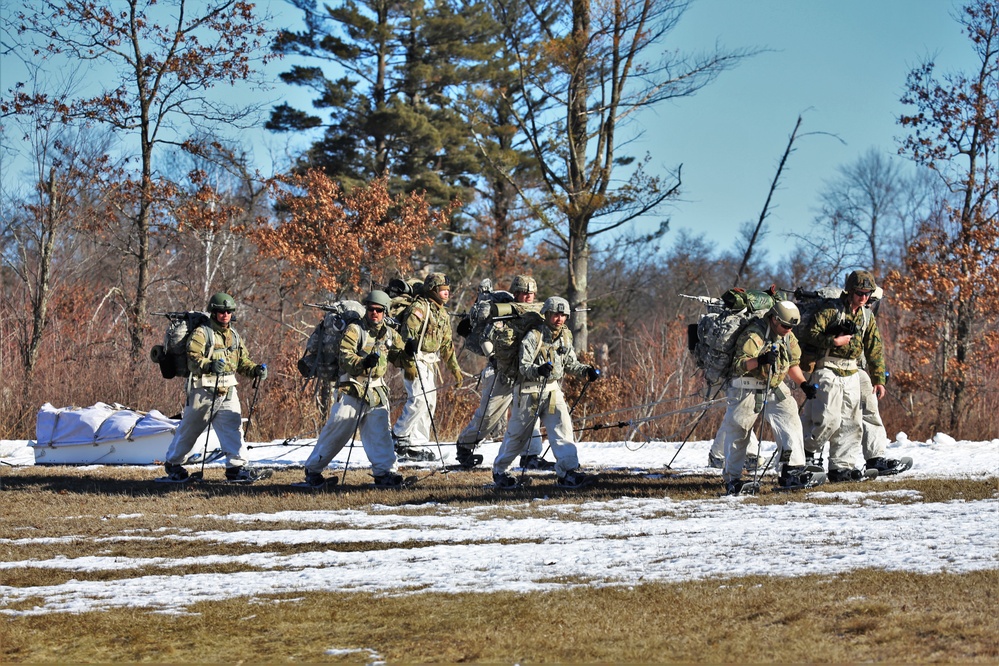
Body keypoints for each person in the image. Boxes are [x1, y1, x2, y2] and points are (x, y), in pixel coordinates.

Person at [303, 290, 411, 487]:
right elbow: (345, 357)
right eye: (371, 309)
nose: (374, 313)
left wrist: (409, 353)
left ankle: (385, 472)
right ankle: (313, 471)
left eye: (379, 310)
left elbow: (398, 358)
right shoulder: (355, 329)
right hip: (352, 388)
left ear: (385, 312)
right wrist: (364, 362)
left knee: (380, 434)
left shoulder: (389, 332)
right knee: (336, 432)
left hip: (376, 390)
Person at [491, 296, 601, 489]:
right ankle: (500, 471)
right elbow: (523, 366)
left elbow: (569, 363)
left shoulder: (565, 335)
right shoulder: (534, 336)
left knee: (563, 429)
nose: (559, 319)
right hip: (528, 391)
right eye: (555, 314)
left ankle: (568, 472)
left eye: (563, 315)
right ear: (547, 314)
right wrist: (538, 370)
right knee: (518, 436)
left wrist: (586, 371)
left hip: (552, 389)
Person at [162, 292, 269, 482]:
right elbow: (192, 361)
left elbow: (242, 362)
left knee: (233, 429)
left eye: (228, 311)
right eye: (221, 311)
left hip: (228, 390)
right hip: (203, 390)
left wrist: (255, 370)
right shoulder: (202, 333)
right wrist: (209, 365)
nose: (225, 315)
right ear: (214, 312)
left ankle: (236, 468)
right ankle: (174, 464)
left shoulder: (234, 336)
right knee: (190, 429)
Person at [717, 301, 820, 494]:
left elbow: (792, 363)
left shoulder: (787, 336)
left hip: (774, 385)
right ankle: (733, 479)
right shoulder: (754, 335)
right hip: (746, 386)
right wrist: (761, 360)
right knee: (739, 430)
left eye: (792, 327)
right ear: (774, 319)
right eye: (785, 326)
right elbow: (738, 365)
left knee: (791, 423)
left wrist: (803, 384)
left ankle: (791, 470)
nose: (789, 330)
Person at [798, 270, 888, 482]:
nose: (863, 297)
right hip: (827, 366)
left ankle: (841, 467)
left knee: (851, 421)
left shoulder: (867, 315)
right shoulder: (830, 310)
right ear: (849, 291)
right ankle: (806, 451)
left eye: (868, 293)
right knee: (829, 417)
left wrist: (878, 380)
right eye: (859, 292)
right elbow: (810, 333)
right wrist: (833, 342)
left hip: (852, 371)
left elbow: (874, 347)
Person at [454, 275, 550, 470]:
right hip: (503, 370)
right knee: (490, 415)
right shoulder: (503, 313)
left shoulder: (537, 314)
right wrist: (494, 358)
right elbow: (485, 338)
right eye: (524, 293)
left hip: (528, 370)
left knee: (529, 412)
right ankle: (465, 446)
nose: (528, 297)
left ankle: (531, 454)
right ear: (516, 293)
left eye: (531, 293)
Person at [392, 272, 463, 461]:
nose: (447, 294)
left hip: (431, 361)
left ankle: (416, 444)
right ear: (433, 290)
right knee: (418, 399)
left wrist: (455, 369)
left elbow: (447, 344)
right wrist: (408, 361)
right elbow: (406, 335)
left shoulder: (442, 313)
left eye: (448, 290)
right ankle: (399, 436)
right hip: (415, 358)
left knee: (429, 402)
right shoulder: (419, 307)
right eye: (443, 290)